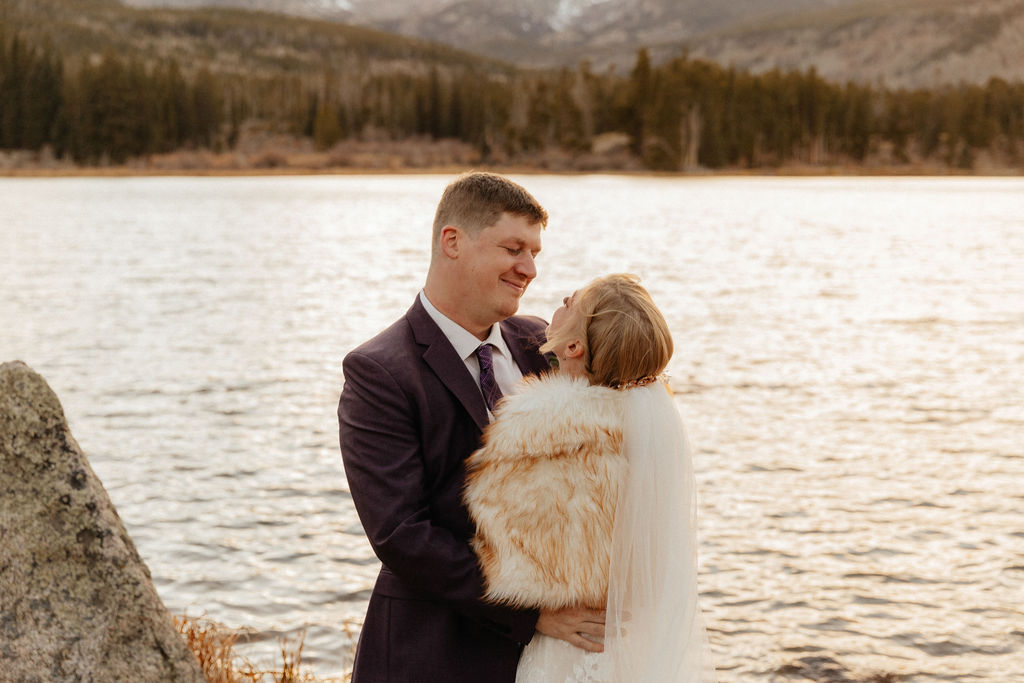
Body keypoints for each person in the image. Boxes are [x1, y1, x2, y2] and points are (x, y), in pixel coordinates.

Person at [338, 172, 606, 683]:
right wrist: (530, 615)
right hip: (434, 652)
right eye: (513, 248)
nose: (529, 269)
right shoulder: (379, 371)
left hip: (555, 659)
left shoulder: (547, 346)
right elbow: (401, 533)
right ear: (453, 242)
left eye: (535, 253)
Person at [464, 273, 717, 682]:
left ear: (575, 346)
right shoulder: (645, 417)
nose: (563, 298)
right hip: (625, 634)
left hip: (567, 641)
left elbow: (499, 543)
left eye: (573, 301)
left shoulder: (548, 431)